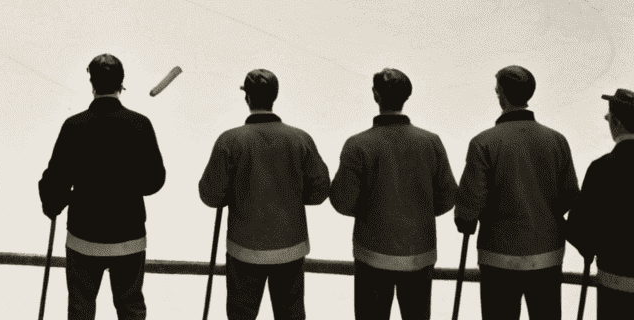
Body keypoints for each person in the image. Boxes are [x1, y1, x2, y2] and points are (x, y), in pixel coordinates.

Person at [38, 53, 166, 320]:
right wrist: (126, 186)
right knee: (130, 306)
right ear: (121, 83)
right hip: (128, 237)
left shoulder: (74, 126)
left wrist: (53, 204)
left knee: (81, 307)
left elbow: (56, 180)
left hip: (83, 237)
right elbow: (155, 180)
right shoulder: (139, 125)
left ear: (92, 82)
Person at [199, 70, 331, 320]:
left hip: (243, 248)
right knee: (290, 314)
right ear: (275, 96)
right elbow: (320, 191)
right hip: (290, 248)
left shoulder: (230, 141)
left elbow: (211, 195)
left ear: (247, 98)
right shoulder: (300, 139)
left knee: (241, 315)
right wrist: (292, 192)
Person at [329, 68, 457, 320]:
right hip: (419, 254)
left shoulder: (358, 144)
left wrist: (370, 210)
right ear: (406, 97)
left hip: (371, 254)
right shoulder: (431, 142)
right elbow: (446, 198)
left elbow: (342, 202)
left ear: (376, 95)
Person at [455, 66, 579, 320]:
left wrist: (465, 221)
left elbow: (468, 209)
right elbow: (569, 196)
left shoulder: (484, 143)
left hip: (498, 257)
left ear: (501, 94)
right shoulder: (557, 141)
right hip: (547, 255)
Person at [566, 87, 634, 320]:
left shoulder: (602, 168)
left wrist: (589, 248)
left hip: (614, 281)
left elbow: (578, 227)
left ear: (614, 123)